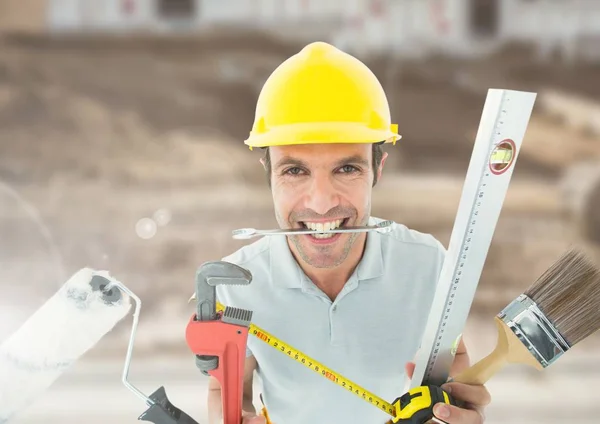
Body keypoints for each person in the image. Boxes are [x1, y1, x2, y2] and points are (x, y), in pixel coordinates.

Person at [208, 41, 490, 424]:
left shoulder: (429, 266)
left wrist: (457, 410)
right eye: (295, 170)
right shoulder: (235, 283)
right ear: (268, 172)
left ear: (378, 170)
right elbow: (228, 392)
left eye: (346, 169)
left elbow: (448, 382)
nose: (322, 203)